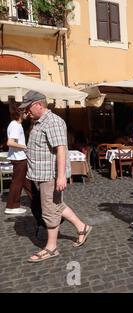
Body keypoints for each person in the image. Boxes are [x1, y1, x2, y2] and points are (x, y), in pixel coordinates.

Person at [20, 90, 92, 262]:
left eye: (28, 108)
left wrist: (61, 176)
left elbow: (61, 148)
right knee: (57, 205)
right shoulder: (38, 122)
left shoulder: (53, 122)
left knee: (50, 210)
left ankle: (51, 248)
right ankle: (82, 227)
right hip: (42, 174)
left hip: (50, 175)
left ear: (38, 105)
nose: (26, 112)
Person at [4, 106, 32, 215]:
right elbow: (10, 142)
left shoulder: (15, 124)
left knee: (25, 181)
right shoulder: (15, 125)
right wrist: (25, 147)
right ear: (20, 113)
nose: (27, 113)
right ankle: (11, 206)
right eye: (25, 112)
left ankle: (37, 200)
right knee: (17, 182)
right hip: (19, 158)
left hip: (19, 157)